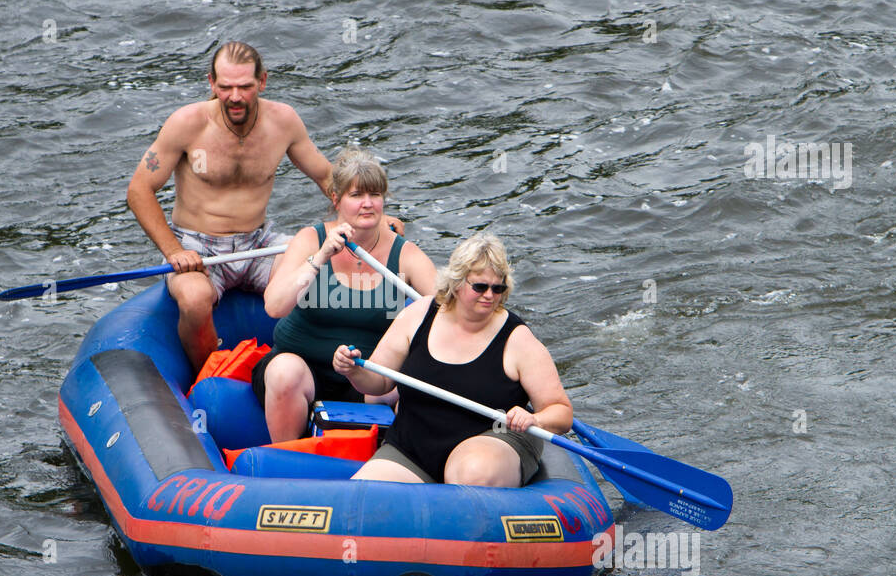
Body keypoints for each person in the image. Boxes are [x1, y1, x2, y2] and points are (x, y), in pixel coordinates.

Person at [126, 41, 334, 372]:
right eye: (225, 87)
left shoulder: (283, 121)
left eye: (245, 87)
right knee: (194, 300)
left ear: (262, 82)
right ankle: (209, 379)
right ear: (211, 83)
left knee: (317, 277)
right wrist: (174, 251)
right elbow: (139, 190)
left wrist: (373, 221)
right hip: (197, 245)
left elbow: (327, 177)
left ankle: (312, 371)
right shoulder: (187, 123)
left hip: (259, 243)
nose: (234, 97)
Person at [332, 234, 573, 488]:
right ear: (457, 283)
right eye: (480, 287)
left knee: (470, 473)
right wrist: (352, 370)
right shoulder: (417, 315)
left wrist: (535, 419)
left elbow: (562, 412)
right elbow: (378, 382)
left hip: (492, 440)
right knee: (364, 493)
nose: (489, 295)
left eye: (498, 288)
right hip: (415, 447)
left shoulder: (518, 340)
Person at [253, 149, 436, 442]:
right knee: (284, 372)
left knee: (413, 385)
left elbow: (450, 309)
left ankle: (398, 459)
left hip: (368, 378)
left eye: (374, 195)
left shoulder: (405, 254)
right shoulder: (310, 239)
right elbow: (275, 307)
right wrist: (322, 255)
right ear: (336, 200)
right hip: (302, 368)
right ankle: (288, 457)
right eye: (356, 195)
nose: (367, 203)